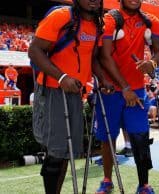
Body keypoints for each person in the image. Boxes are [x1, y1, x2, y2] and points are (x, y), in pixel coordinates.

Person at [28, 0, 104, 193]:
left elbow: (91, 58)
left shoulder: (97, 24)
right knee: (55, 152)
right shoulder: (61, 16)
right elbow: (34, 50)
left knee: (66, 151)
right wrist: (61, 77)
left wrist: (103, 80)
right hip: (53, 89)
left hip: (74, 92)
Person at [94, 0, 159, 193]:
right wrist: (125, 88)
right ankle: (107, 180)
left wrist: (153, 63)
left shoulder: (151, 22)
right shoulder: (109, 20)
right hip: (111, 91)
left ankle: (144, 184)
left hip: (137, 91)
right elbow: (104, 56)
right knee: (108, 137)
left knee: (140, 137)